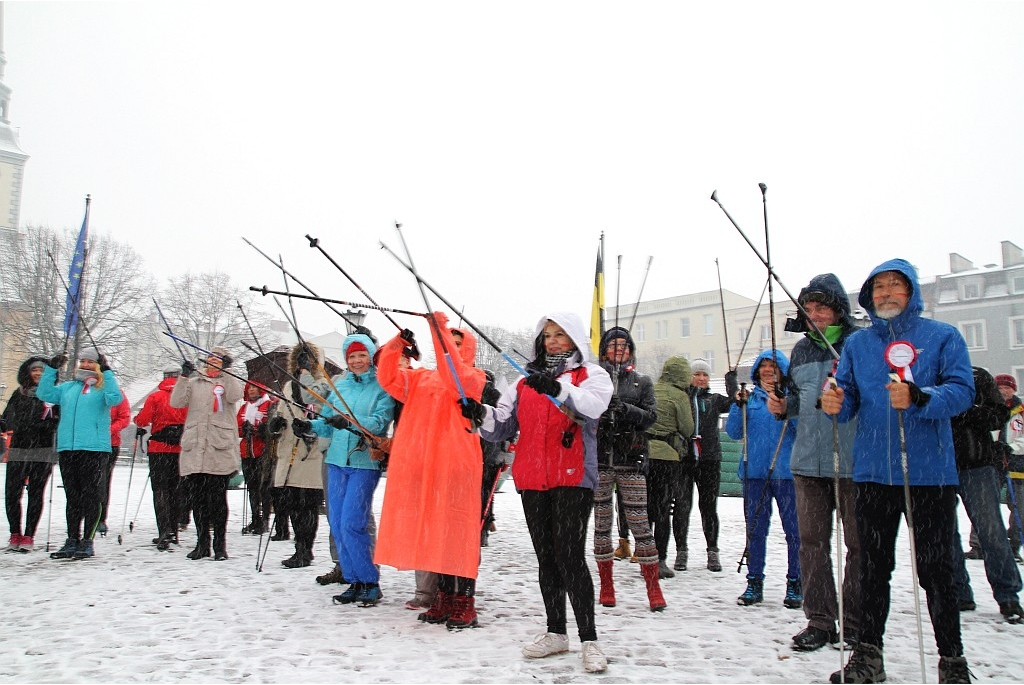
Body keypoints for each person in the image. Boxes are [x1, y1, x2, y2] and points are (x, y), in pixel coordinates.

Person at [820, 258, 975, 684]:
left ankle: (952, 660)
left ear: (912, 292)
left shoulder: (942, 337)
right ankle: (868, 655)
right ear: (869, 297)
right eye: (878, 288)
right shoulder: (858, 345)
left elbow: (962, 392)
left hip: (929, 475)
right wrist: (834, 400)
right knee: (871, 568)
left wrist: (921, 397)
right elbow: (847, 397)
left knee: (937, 569)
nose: (886, 294)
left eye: (895, 286)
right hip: (872, 473)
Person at [472, 312, 613, 673]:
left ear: (575, 339)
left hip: (572, 476)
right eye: (547, 335)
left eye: (560, 335)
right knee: (547, 558)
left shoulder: (592, 375)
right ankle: (556, 631)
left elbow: (593, 406)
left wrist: (558, 388)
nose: (552, 341)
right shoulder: (521, 383)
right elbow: (501, 426)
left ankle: (589, 638)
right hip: (533, 478)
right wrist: (477, 413)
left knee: (570, 557)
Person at [770, 274, 862, 652]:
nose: (814, 315)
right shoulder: (802, 351)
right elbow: (796, 399)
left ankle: (857, 624)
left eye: (821, 308)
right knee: (811, 544)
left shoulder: (858, 343)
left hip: (854, 463)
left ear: (838, 309)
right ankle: (820, 620)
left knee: (859, 547)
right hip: (807, 462)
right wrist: (782, 407)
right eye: (808, 309)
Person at [376, 314, 485, 629]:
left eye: (458, 342)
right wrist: (398, 344)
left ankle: (465, 601)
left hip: (458, 466)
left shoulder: (473, 377)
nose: (451, 346)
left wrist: (438, 330)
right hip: (427, 467)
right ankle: (443, 597)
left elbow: (453, 373)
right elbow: (387, 377)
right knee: (434, 532)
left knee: (458, 535)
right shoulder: (421, 379)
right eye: (449, 340)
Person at [296, 333, 394, 597]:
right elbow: (327, 422)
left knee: (353, 522)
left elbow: (378, 422)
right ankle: (354, 580)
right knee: (337, 523)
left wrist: (349, 422)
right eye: (352, 356)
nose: (357, 361)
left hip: (363, 462)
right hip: (336, 460)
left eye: (362, 355)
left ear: (371, 356)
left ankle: (370, 582)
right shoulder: (341, 385)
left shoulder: (382, 386)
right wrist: (307, 426)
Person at [590, 326, 664, 610]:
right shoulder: (595, 380)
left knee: (640, 524)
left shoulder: (641, 382)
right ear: (604, 350)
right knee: (602, 525)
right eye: (612, 345)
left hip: (631, 458)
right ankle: (606, 586)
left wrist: (627, 411)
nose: (618, 349)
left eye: (624, 345)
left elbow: (651, 417)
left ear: (631, 350)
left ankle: (653, 587)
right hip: (600, 460)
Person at [726, 349, 801, 608]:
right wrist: (738, 406)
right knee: (755, 531)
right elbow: (734, 432)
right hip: (755, 474)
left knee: (794, 532)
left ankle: (796, 582)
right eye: (764, 366)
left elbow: (800, 429)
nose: (768, 370)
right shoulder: (749, 398)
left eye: (773, 366)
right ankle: (754, 581)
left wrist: (783, 405)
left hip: (787, 474)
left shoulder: (791, 398)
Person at [949, 366, 1024, 622]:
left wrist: (962, 411)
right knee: (944, 533)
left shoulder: (977, 375)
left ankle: (1008, 595)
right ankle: (958, 591)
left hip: (977, 463)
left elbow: (998, 414)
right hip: (937, 465)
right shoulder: (926, 372)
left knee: (991, 530)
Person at [37, 347, 123, 559]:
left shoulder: (102, 389)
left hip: (93, 449)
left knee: (91, 496)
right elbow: (44, 393)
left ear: (97, 365)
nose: (85, 365)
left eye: (90, 362)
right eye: (82, 361)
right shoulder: (67, 388)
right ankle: (72, 539)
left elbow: (115, 399)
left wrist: (108, 371)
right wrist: (51, 369)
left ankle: (88, 540)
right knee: (73, 497)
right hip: (69, 448)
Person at [170, 346, 243, 561]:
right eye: (211, 357)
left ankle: (220, 545)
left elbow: (235, 395)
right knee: (198, 501)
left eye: (219, 359)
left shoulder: (228, 381)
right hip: (195, 449)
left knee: (218, 500)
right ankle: (202, 543)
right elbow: (176, 402)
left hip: (218, 449)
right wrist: (183, 377)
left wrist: (228, 373)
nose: (214, 361)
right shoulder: (195, 382)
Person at [267, 341, 332, 570]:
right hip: (289, 450)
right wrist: (276, 424)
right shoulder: (287, 385)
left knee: (308, 503)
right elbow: (283, 409)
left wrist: (309, 426)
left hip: (310, 451)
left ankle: (306, 549)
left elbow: (319, 408)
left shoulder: (324, 385)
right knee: (293, 501)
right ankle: (299, 547)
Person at [677, 358, 735, 572]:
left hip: (710, 459)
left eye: (705, 375)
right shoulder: (682, 399)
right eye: (697, 374)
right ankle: (681, 551)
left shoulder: (714, 399)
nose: (701, 378)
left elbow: (735, 401)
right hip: (685, 459)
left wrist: (732, 382)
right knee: (682, 506)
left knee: (709, 507)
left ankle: (712, 551)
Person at [2, 356, 60, 552]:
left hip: (42, 450)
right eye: (34, 370)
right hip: (19, 449)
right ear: (27, 372)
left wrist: (43, 426)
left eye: (42, 371)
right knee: (11, 494)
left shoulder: (53, 396)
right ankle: (15, 533)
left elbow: (57, 421)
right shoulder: (18, 394)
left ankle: (28, 535)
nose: (37, 373)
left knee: (35, 494)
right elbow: (7, 418)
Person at [645, 355, 695, 578]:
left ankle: (644, 555)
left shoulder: (651, 388)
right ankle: (660, 559)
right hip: (668, 456)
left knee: (645, 509)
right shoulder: (680, 396)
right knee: (663, 509)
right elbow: (688, 429)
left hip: (644, 454)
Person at [133, 368, 188, 550]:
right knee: (176, 490)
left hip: (159, 449)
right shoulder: (186, 398)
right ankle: (174, 530)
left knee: (160, 490)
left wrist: (138, 419)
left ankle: (164, 530)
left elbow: (143, 420)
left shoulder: (156, 397)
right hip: (180, 449)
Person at [237, 381, 273, 535]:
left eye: (254, 387)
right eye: (249, 388)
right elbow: (237, 426)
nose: (251, 390)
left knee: (263, 487)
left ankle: (264, 519)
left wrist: (261, 430)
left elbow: (272, 427)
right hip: (247, 452)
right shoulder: (244, 408)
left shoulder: (269, 405)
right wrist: (243, 428)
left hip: (262, 452)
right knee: (251, 487)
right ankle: (255, 518)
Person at [996, 374, 1024, 561]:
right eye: (1000, 388)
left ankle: (1014, 544)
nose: (1004, 391)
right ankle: (978, 545)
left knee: (1019, 507)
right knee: (986, 504)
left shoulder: (1020, 411)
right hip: (992, 461)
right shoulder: (990, 408)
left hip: (1017, 463)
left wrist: (1011, 448)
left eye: (1007, 388)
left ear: (1013, 389)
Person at [97, 390, 131, 537]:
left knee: (103, 482)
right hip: (85, 443)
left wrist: (109, 430)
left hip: (109, 443)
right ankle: (83, 514)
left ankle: (100, 517)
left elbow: (124, 417)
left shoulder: (116, 394)